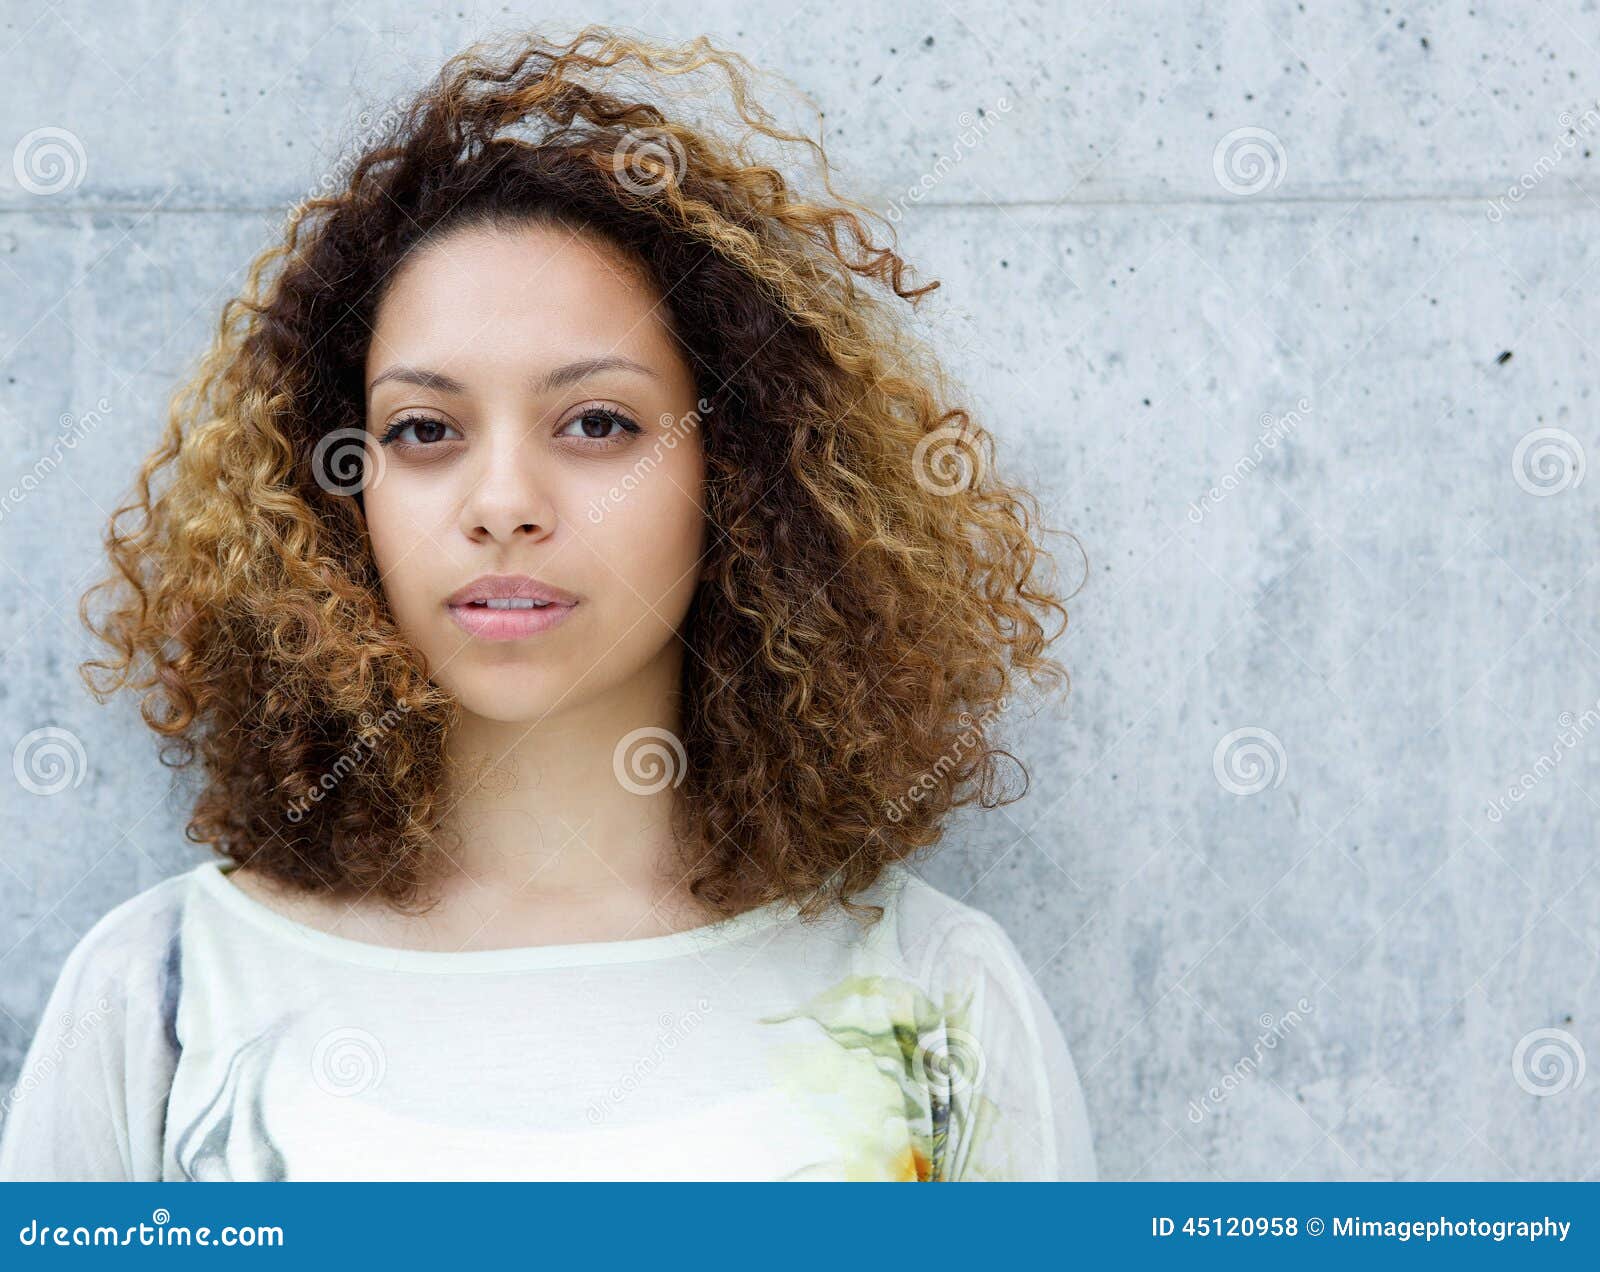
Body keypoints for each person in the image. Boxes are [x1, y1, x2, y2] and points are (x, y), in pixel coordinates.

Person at [0, 25, 1096, 1182]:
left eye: (596, 425)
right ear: (337, 492)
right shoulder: (165, 1000)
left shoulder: (936, 1000)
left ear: (734, 473)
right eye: (424, 431)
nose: (503, 504)